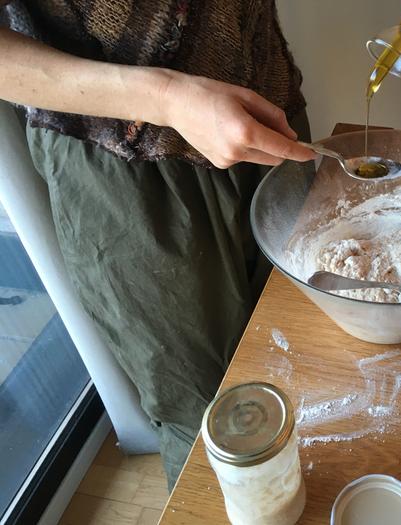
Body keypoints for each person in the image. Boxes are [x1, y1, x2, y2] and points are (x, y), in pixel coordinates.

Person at [0, 0, 315, 488]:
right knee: (208, 419)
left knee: (307, 357)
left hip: (268, 114)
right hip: (128, 174)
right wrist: (166, 97)